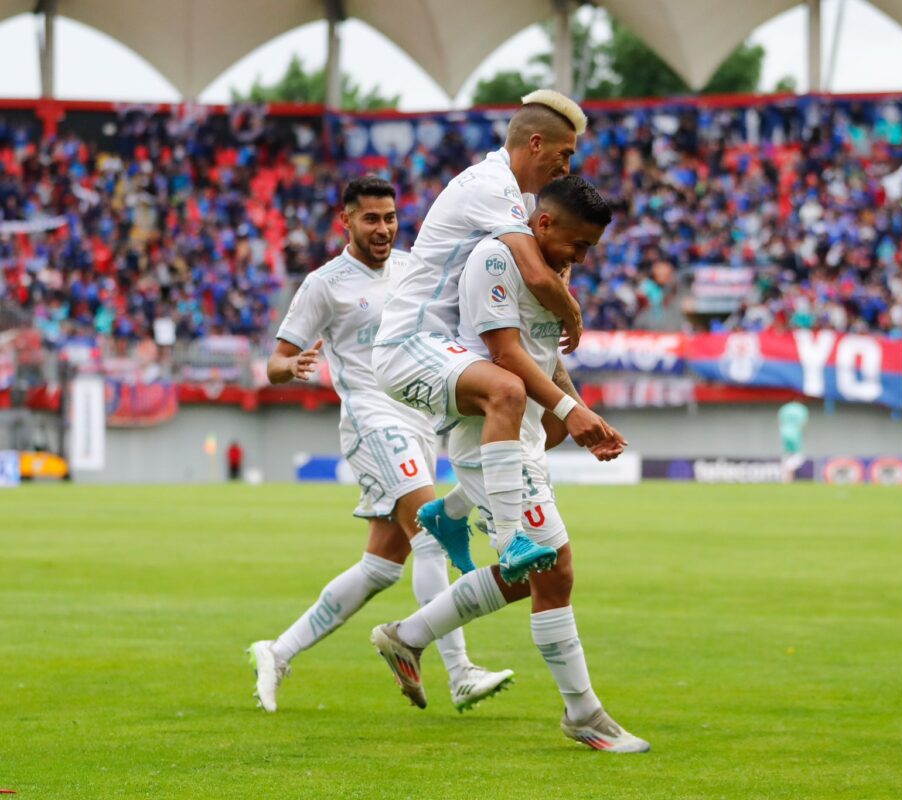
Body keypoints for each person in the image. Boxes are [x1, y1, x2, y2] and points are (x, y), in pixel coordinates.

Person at [371, 175, 649, 753]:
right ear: (543, 223)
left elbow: (545, 359)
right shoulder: (494, 258)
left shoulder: (554, 274)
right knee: (556, 568)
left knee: (532, 578)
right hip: (485, 432)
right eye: (579, 244)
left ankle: (409, 635)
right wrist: (570, 413)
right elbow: (504, 354)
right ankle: (584, 714)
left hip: (519, 434)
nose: (581, 257)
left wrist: (581, 414)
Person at [246, 176, 512, 714]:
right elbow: (276, 358)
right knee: (432, 536)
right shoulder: (325, 284)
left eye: (390, 217)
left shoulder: (414, 269)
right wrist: (290, 367)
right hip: (371, 418)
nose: (384, 228)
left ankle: (278, 650)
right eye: (371, 218)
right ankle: (459, 673)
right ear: (345, 220)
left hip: (417, 418)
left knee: (381, 568)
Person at [372, 90, 625, 587]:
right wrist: (572, 310)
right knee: (508, 391)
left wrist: (572, 406)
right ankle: (509, 539)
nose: (568, 166)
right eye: (565, 154)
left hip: (452, 349)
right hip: (410, 342)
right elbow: (534, 274)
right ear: (536, 144)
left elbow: (533, 327)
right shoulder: (492, 186)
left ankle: (452, 511)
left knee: (548, 426)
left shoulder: (525, 201)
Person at [778, 400, 809, 482]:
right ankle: (788, 472)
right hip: (795, 436)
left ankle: (788, 478)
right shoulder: (801, 410)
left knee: (788, 456)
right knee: (798, 457)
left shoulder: (784, 409)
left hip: (784, 434)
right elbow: (802, 424)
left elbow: (780, 421)